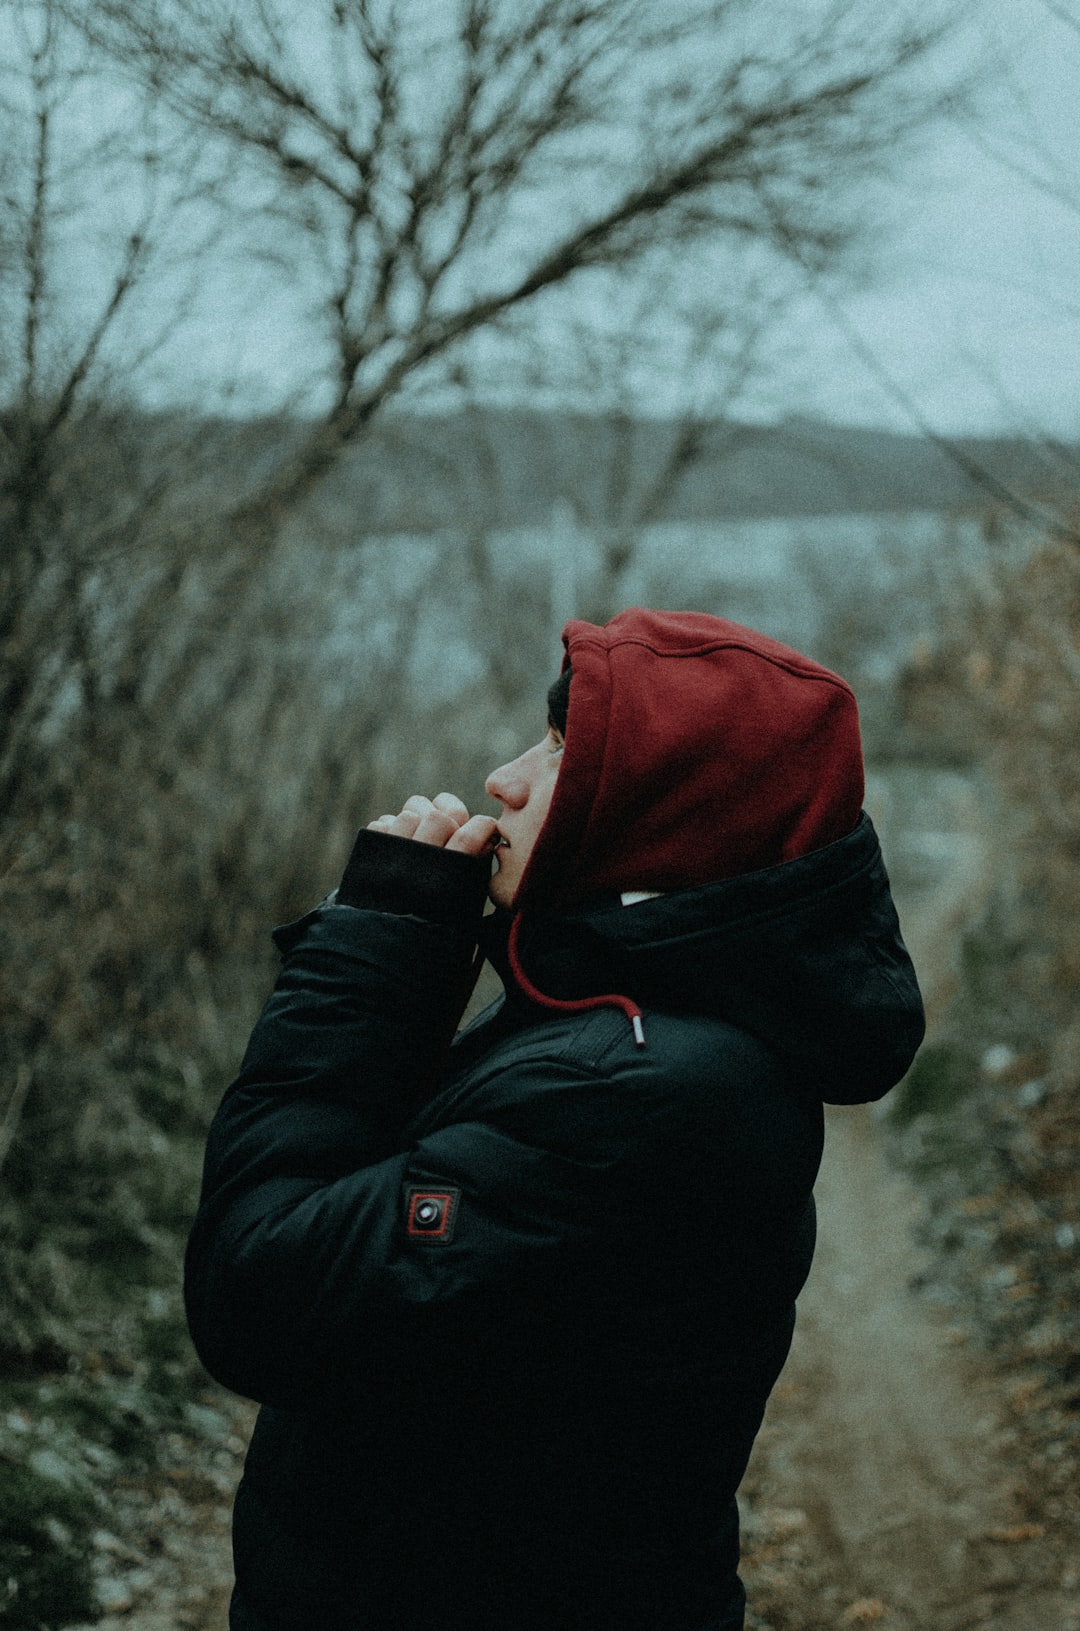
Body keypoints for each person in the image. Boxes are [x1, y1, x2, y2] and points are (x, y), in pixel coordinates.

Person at [185, 607, 925, 1631]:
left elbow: (259, 1290)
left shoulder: (628, 1090)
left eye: (566, 749)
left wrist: (369, 951)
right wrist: (410, 958)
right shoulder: (628, 1020)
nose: (506, 775)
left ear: (670, 816)